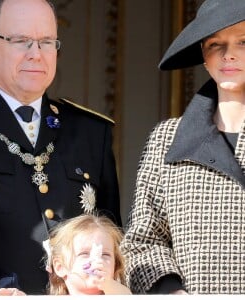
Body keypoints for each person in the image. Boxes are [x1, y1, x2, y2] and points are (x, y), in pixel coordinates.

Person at [0, 0, 121, 294]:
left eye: (46, 42)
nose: (36, 54)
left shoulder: (91, 132)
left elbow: (113, 241)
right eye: (21, 41)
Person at [121, 0, 245, 295]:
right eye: (216, 44)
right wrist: (170, 293)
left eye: (243, 41)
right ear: (203, 54)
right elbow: (142, 241)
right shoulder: (166, 139)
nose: (229, 55)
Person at [44, 214, 131, 295]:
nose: (97, 260)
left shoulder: (120, 294)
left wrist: (109, 284)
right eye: (84, 254)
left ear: (115, 265)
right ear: (60, 267)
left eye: (105, 254)